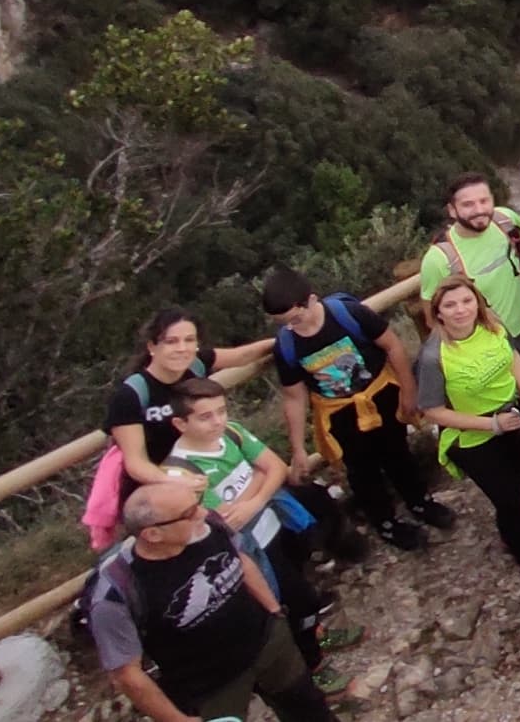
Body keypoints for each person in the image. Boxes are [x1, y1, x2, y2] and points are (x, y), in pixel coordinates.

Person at [86, 484, 338, 722]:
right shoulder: (116, 592)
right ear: (153, 533)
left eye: (198, 503)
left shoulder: (209, 525)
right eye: (189, 512)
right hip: (208, 685)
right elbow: (127, 675)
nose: (203, 512)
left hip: (268, 643)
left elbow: (239, 558)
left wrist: (274, 612)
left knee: (309, 707)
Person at [160, 379, 343, 675]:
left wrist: (251, 497)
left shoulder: (230, 432)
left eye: (221, 411)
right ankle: (312, 664)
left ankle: (314, 636)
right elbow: (226, 518)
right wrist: (259, 481)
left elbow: (276, 467)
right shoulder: (181, 473)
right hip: (251, 549)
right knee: (294, 601)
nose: (218, 421)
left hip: (277, 525)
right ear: (181, 423)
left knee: (301, 588)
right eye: (205, 417)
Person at [262, 268, 449, 550]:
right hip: (339, 412)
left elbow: (393, 346)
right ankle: (385, 521)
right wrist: (298, 447)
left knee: (397, 452)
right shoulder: (287, 345)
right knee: (361, 469)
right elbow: (294, 397)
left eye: (296, 318)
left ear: (311, 300)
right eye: (285, 323)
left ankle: (420, 502)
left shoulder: (348, 314)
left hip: (380, 394)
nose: (293, 327)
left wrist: (409, 390)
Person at [411, 280, 520, 608]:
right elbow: (433, 411)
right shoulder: (434, 356)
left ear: (477, 303)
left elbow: (513, 357)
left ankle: (519, 528)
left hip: (511, 418)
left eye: (466, 301)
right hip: (473, 438)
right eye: (450, 305)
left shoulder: (491, 326)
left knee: (516, 483)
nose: (461, 310)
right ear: (437, 314)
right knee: (506, 499)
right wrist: (490, 424)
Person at [94, 309, 267, 549]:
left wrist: (287, 336)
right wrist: (172, 482)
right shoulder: (131, 395)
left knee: (227, 537)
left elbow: (241, 355)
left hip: (203, 470)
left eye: (190, 340)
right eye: (171, 341)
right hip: (158, 487)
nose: (182, 348)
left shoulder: (195, 365)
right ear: (152, 347)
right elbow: (136, 462)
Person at [420, 172, 520, 385]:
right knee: (513, 413)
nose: (479, 210)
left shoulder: (503, 221)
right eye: (468, 205)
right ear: (452, 210)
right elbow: (432, 319)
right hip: (485, 354)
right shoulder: (439, 259)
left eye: (484, 201)